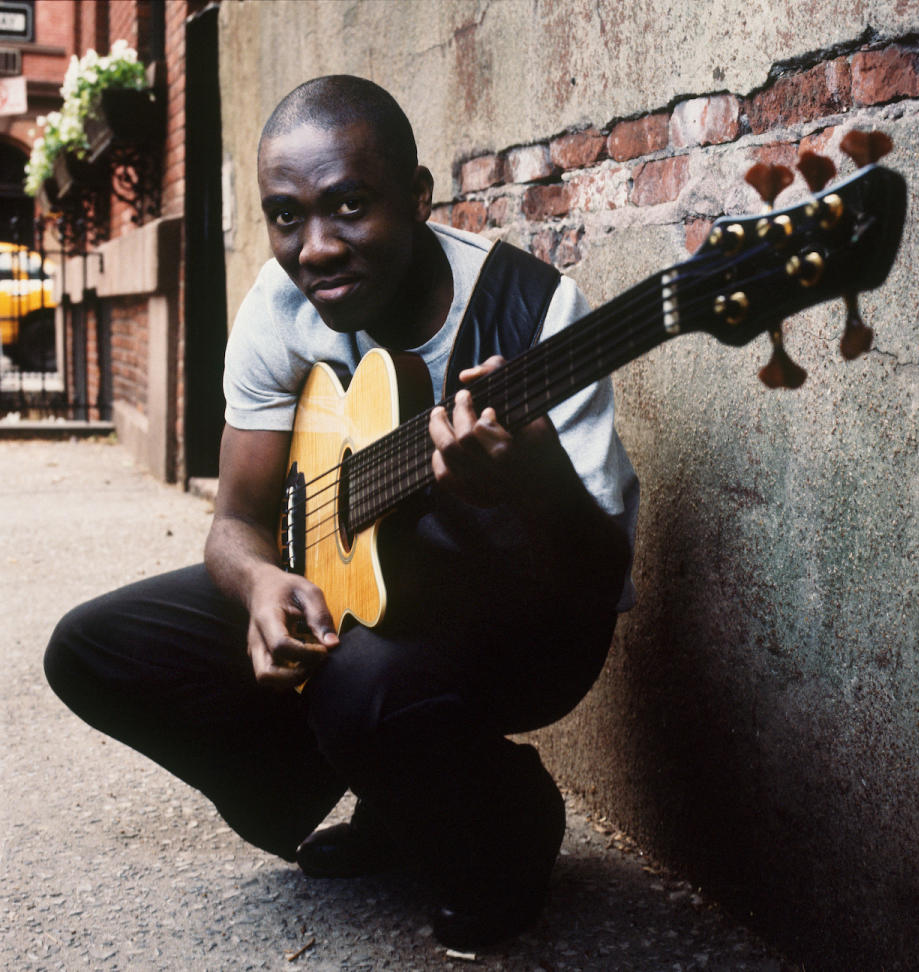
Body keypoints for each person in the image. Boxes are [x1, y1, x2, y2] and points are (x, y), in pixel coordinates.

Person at [44, 75, 639, 949]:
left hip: (521, 618)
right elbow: (236, 521)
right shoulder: (279, 307)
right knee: (92, 649)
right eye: (287, 216)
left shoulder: (535, 315)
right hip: (352, 589)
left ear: (420, 198)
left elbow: (598, 582)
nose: (314, 247)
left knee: (359, 683)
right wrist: (256, 586)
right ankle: (397, 799)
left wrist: (524, 486)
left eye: (350, 206)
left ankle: (509, 824)